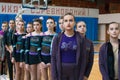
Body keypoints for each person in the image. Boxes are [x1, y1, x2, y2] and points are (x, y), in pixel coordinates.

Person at [51, 13, 86, 80]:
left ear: (74, 23)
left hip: (75, 71)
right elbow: (53, 57)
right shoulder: (57, 38)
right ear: (63, 23)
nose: (68, 23)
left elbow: (83, 59)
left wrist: (81, 75)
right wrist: (54, 76)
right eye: (66, 21)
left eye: (71, 20)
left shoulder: (81, 39)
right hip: (61, 70)